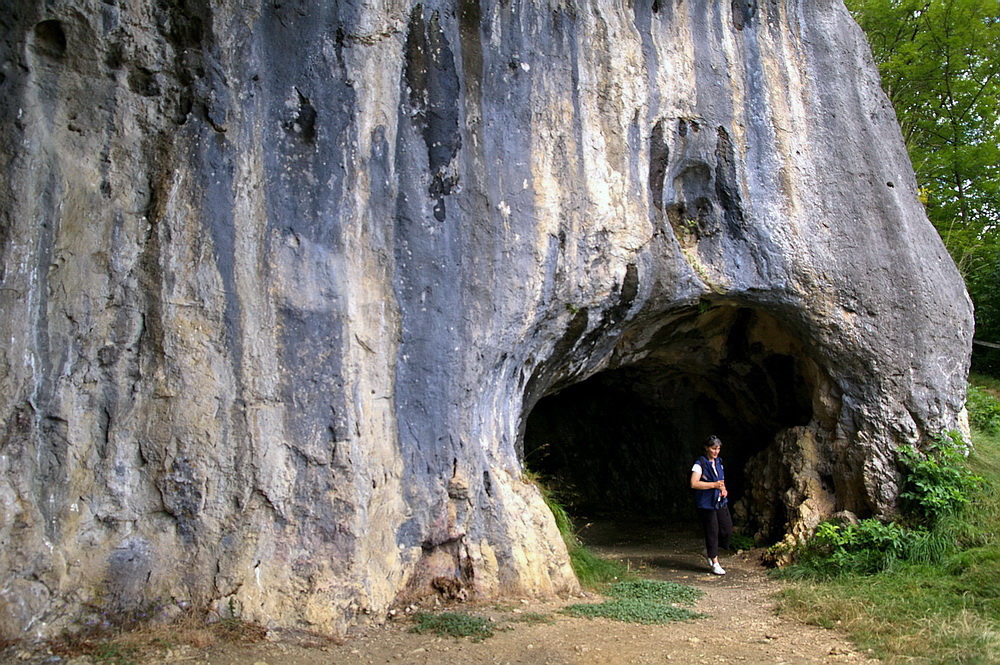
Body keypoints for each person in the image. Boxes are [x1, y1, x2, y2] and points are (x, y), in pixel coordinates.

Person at [690, 435, 733, 575]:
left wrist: (723, 489)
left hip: (720, 502)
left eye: (718, 448)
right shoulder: (700, 463)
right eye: (714, 448)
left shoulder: (719, 462)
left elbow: (721, 480)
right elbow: (694, 483)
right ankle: (714, 562)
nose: (716, 451)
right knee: (712, 531)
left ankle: (710, 550)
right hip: (706, 504)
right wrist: (713, 485)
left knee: (727, 530)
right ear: (707, 448)